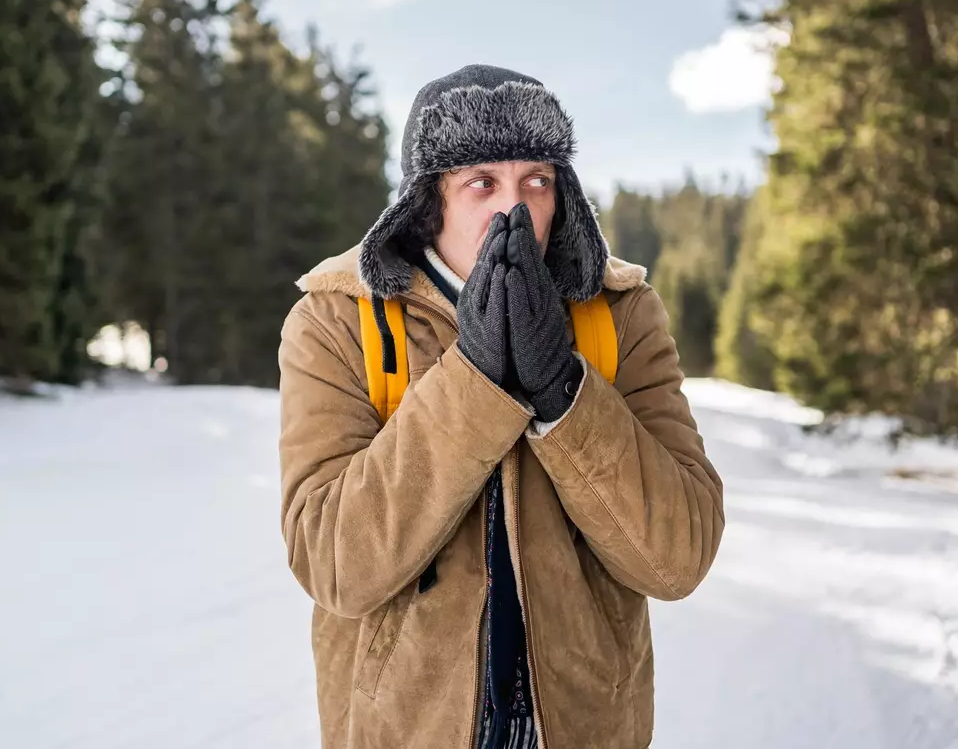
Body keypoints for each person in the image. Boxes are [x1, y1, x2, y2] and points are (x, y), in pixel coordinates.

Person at [278, 64, 725, 749]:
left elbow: (679, 555)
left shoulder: (621, 314)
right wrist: (474, 380)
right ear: (429, 202)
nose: (512, 210)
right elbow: (335, 564)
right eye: (480, 183)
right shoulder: (336, 320)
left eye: (536, 182)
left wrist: (565, 395)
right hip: (404, 727)